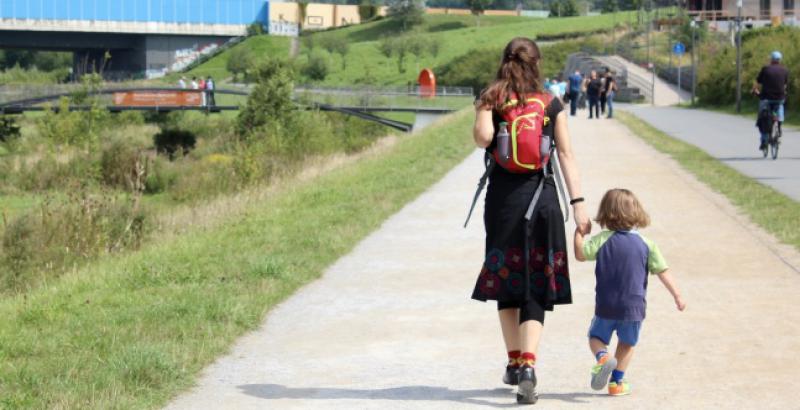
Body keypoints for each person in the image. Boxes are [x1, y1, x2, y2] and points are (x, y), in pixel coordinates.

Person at [472, 37, 591, 405]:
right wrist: (580, 205)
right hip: (544, 202)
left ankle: (513, 360)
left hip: (504, 202)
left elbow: (483, 139)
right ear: (536, 64)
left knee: (507, 280)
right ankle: (527, 366)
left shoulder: (493, 98)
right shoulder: (550, 103)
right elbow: (567, 156)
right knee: (536, 284)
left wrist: (482, 106)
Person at [574, 188, 686, 397]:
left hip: (606, 305)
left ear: (606, 213)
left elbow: (580, 254)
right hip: (633, 308)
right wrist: (677, 295)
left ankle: (603, 357)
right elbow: (663, 271)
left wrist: (580, 233)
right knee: (627, 343)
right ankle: (617, 383)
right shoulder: (646, 244)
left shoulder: (602, 239)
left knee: (595, 337)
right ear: (637, 213)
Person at [752, 50, 789, 151]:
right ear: (780, 60)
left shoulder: (765, 69)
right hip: (780, 98)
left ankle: (764, 140)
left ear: (771, 60)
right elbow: (785, 84)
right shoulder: (785, 70)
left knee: (762, 119)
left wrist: (755, 90)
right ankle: (779, 126)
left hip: (766, 99)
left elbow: (758, 81)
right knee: (780, 106)